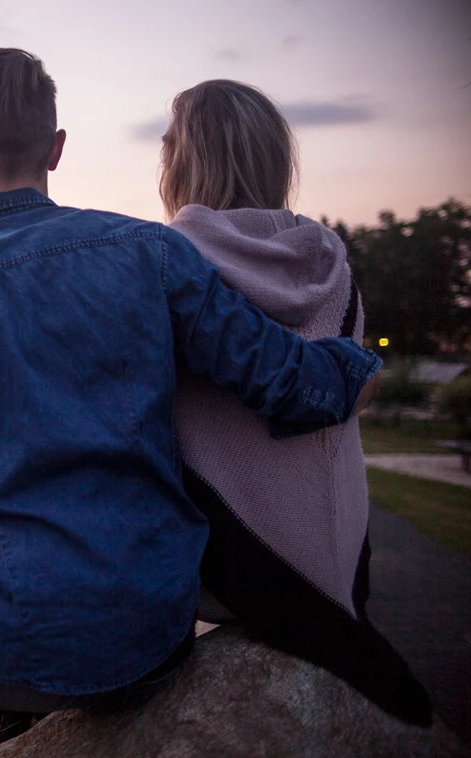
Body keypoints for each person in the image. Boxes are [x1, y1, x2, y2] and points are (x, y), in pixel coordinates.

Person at [0, 49, 383, 758]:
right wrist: (359, 365)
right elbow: (287, 385)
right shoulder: (152, 255)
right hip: (144, 639)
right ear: (56, 149)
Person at [160, 79, 431, 724]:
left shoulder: (173, 262)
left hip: (222, 570)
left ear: (185, 161)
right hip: (339, 553)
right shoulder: (331, 263)